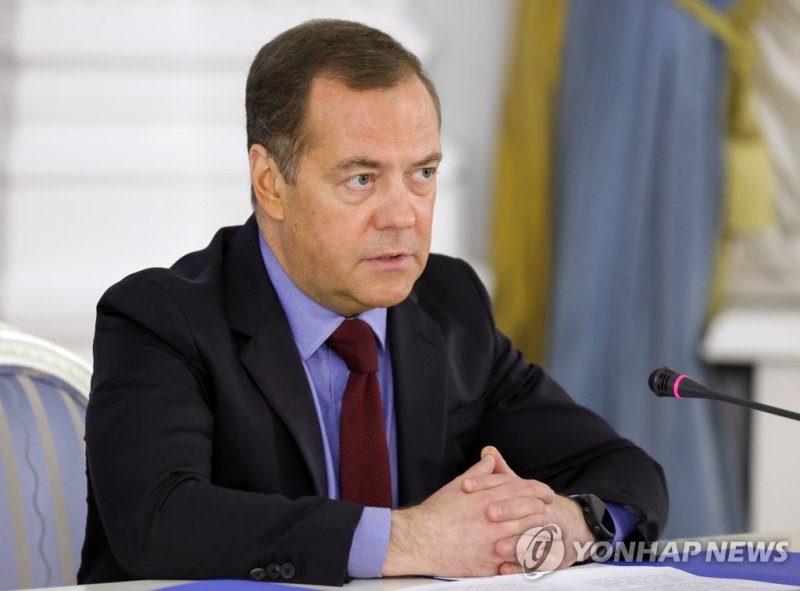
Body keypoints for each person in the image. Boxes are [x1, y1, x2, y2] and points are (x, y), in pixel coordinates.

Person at [78, 19, 668, 586]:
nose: (402, 214)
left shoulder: (449, 303)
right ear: (270, 182)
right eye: (361, 178)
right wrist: (411, 539)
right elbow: (159, 520)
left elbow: (623, 469)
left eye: (423, 173)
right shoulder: (160, 318)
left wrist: (569, 522)